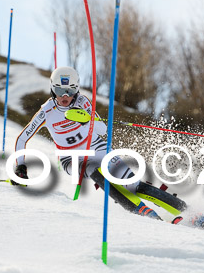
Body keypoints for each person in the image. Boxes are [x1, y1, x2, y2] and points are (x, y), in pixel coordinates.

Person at [11, 66, 182, 221]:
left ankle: (187, 212)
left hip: (96, 147)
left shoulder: (82, 102)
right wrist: (20, 167)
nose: (64, 96)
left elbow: (102, 130)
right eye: (59, 90)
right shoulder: (46, 111)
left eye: (70, 91)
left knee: (132, 184)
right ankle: (146, 213)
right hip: (71, 158)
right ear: (52, 89)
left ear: (76, 89)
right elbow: (22, 139)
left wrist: (87, 120)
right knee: (91, 168)